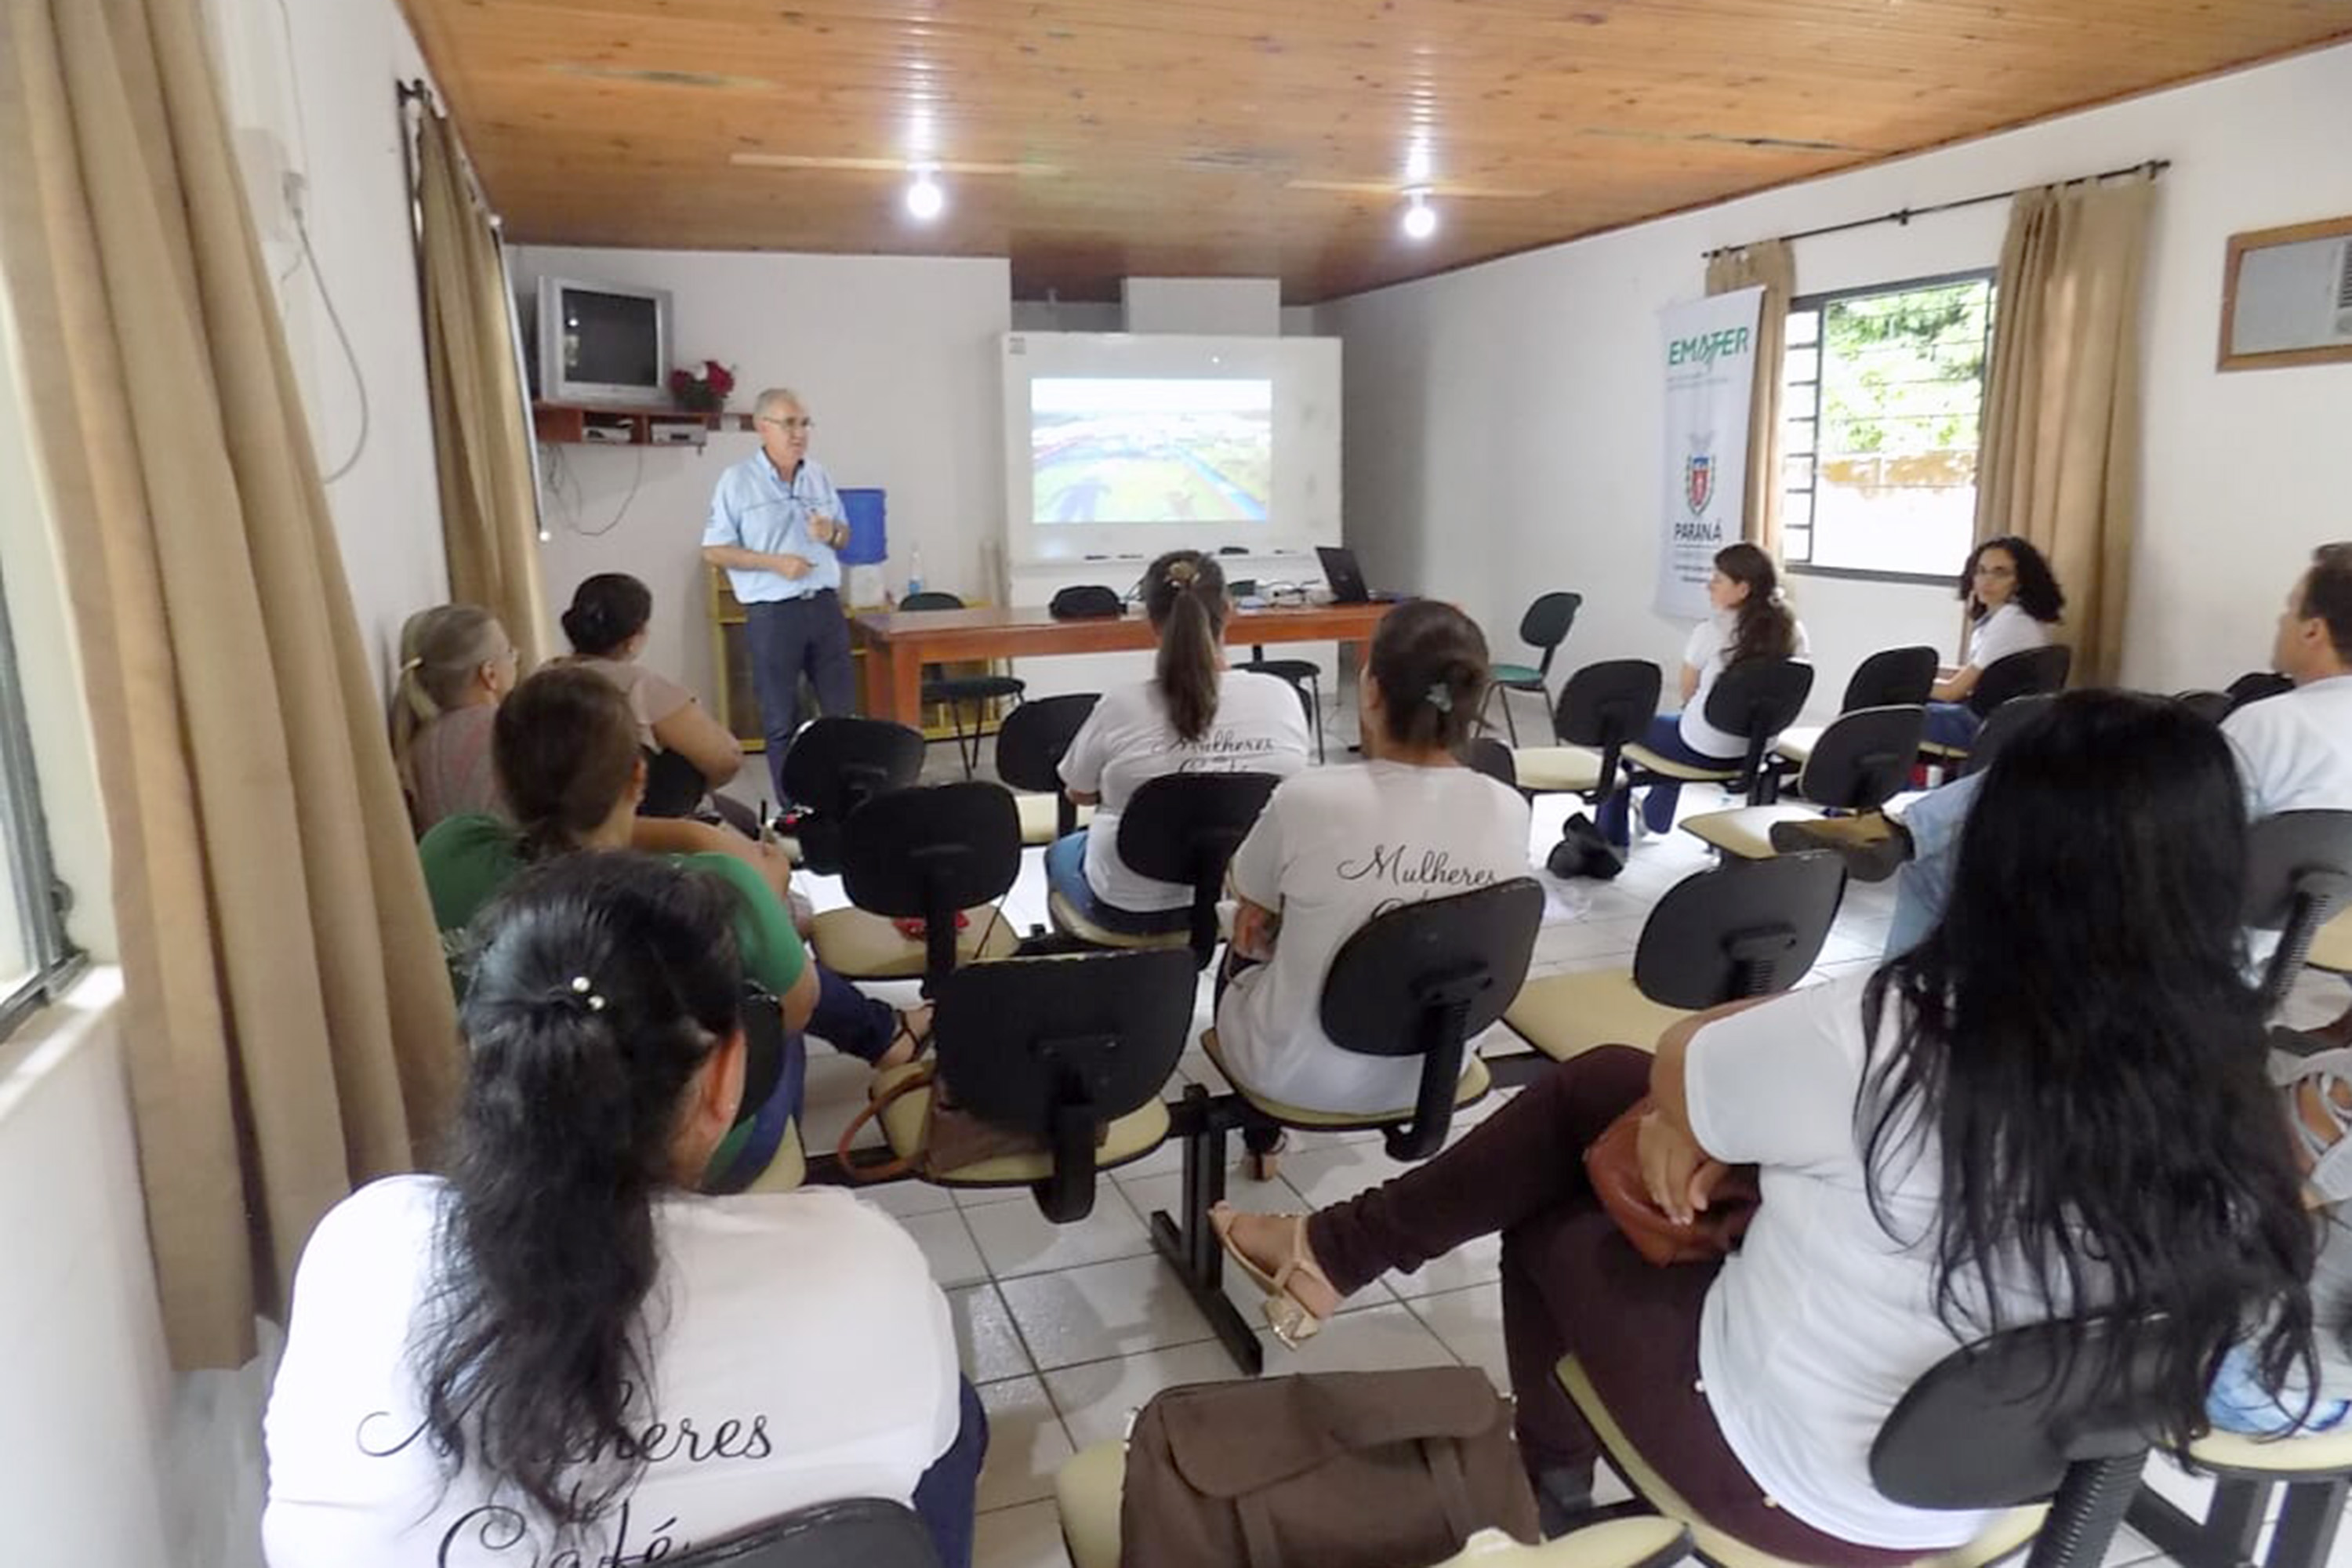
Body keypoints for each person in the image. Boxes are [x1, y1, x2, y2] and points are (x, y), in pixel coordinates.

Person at [1213, 691, 2318, 1563]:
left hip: (1798, 1487)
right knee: (1601, 1084)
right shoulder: (2225, 1076)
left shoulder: (1891, 1033)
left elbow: (1687, 1055)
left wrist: (1683, 1117)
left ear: (2007, 855)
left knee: (1558, 1215)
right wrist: (1678, 1113)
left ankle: (1549, 1480)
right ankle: (1332, 1251)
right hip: (2018, 1475)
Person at [261, 853, 983, 1568]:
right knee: (954, 1420)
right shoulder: (861, 1259)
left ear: (482, 1056)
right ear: (726, 1076)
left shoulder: (361, 1250)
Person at [420, 670, 930, 1150]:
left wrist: (691, 839)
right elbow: (796, 1011)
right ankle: (885, 1035)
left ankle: (885, 1032)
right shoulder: (712, 888)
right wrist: (758, 891)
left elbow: (554, 836)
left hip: (518, 1132)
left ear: (505, 780)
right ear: (639, 777)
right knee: (769, 1002)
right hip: (676, 1154)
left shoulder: (446, 850)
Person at [1824, 543, 2352, 958]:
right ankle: (1912, 832)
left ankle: (1902, 1016)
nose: (2279, 620)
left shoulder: (2277, 722)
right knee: (2063, 761)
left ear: (2313, 629)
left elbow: (2178, 826)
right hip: (2273, 940)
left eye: (2288, 609)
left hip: (2165, 933)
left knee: (1947, 861)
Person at [1215, 601, 1532, 1116]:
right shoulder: (1510, 808)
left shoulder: (1308, 798)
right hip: (1438, 1069)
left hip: (1298, 1074)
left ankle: (1263, 1137)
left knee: (1250, 925)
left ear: (1372, 690)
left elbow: (1246, 890)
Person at [1051, 550, 1313, 927]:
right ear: (1229, 608)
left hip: (1130, 902)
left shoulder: (1120, 705)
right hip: (1246, 896)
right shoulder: (1280, 695)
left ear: (1151, 621)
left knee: (1060, 852)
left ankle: (1091, 976)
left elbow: (1079, 793)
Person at [702, 388, 855, 815]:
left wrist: (832, 534)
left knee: (842, 716)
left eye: (805, 423)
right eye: (789, 423)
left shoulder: (818, 475)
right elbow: (714, 550)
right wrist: (772, 563)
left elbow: (846, 536)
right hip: (774, 613)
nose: (799, 433)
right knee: (780, 719)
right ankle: (794, 812)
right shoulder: (737, 481)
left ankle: (847, 804)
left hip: (824, 606)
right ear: (762, 426)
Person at [1599, 543, 1809, 847]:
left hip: (1703, 747)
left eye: (1718, 579)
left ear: (1743, 589)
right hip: (1761, 748)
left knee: (1623, 728)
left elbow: (1688, 692)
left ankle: (1610, 837)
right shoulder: (1794, 631)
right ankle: (1654, 815)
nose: (1708, 585)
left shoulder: (1711, 631)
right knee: (1675, 729)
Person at [554, 572, 744, 800]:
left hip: (548, 817)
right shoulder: (638, 686)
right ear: (634, 639)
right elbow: (725, 759)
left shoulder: (543, 677)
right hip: (635, 819)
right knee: (742, 820)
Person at [1920, 535, 2065, 750]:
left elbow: (1953, 692)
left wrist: (1902, 685)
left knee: (1889, 716)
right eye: (1981, 571)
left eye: (2000, 573)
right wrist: (1919, 672)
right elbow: (1978, 674)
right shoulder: (2019, 617)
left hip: (1984, 727)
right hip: (2002, 721)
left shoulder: (2010, 622)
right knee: (1898, 705)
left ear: (2020, 580)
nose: (1986, 581)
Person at [390, 604, 518, 833]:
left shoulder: (416, 746)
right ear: (489, 674)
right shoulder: (513, 730)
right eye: (510, 653)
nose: (515, 660)